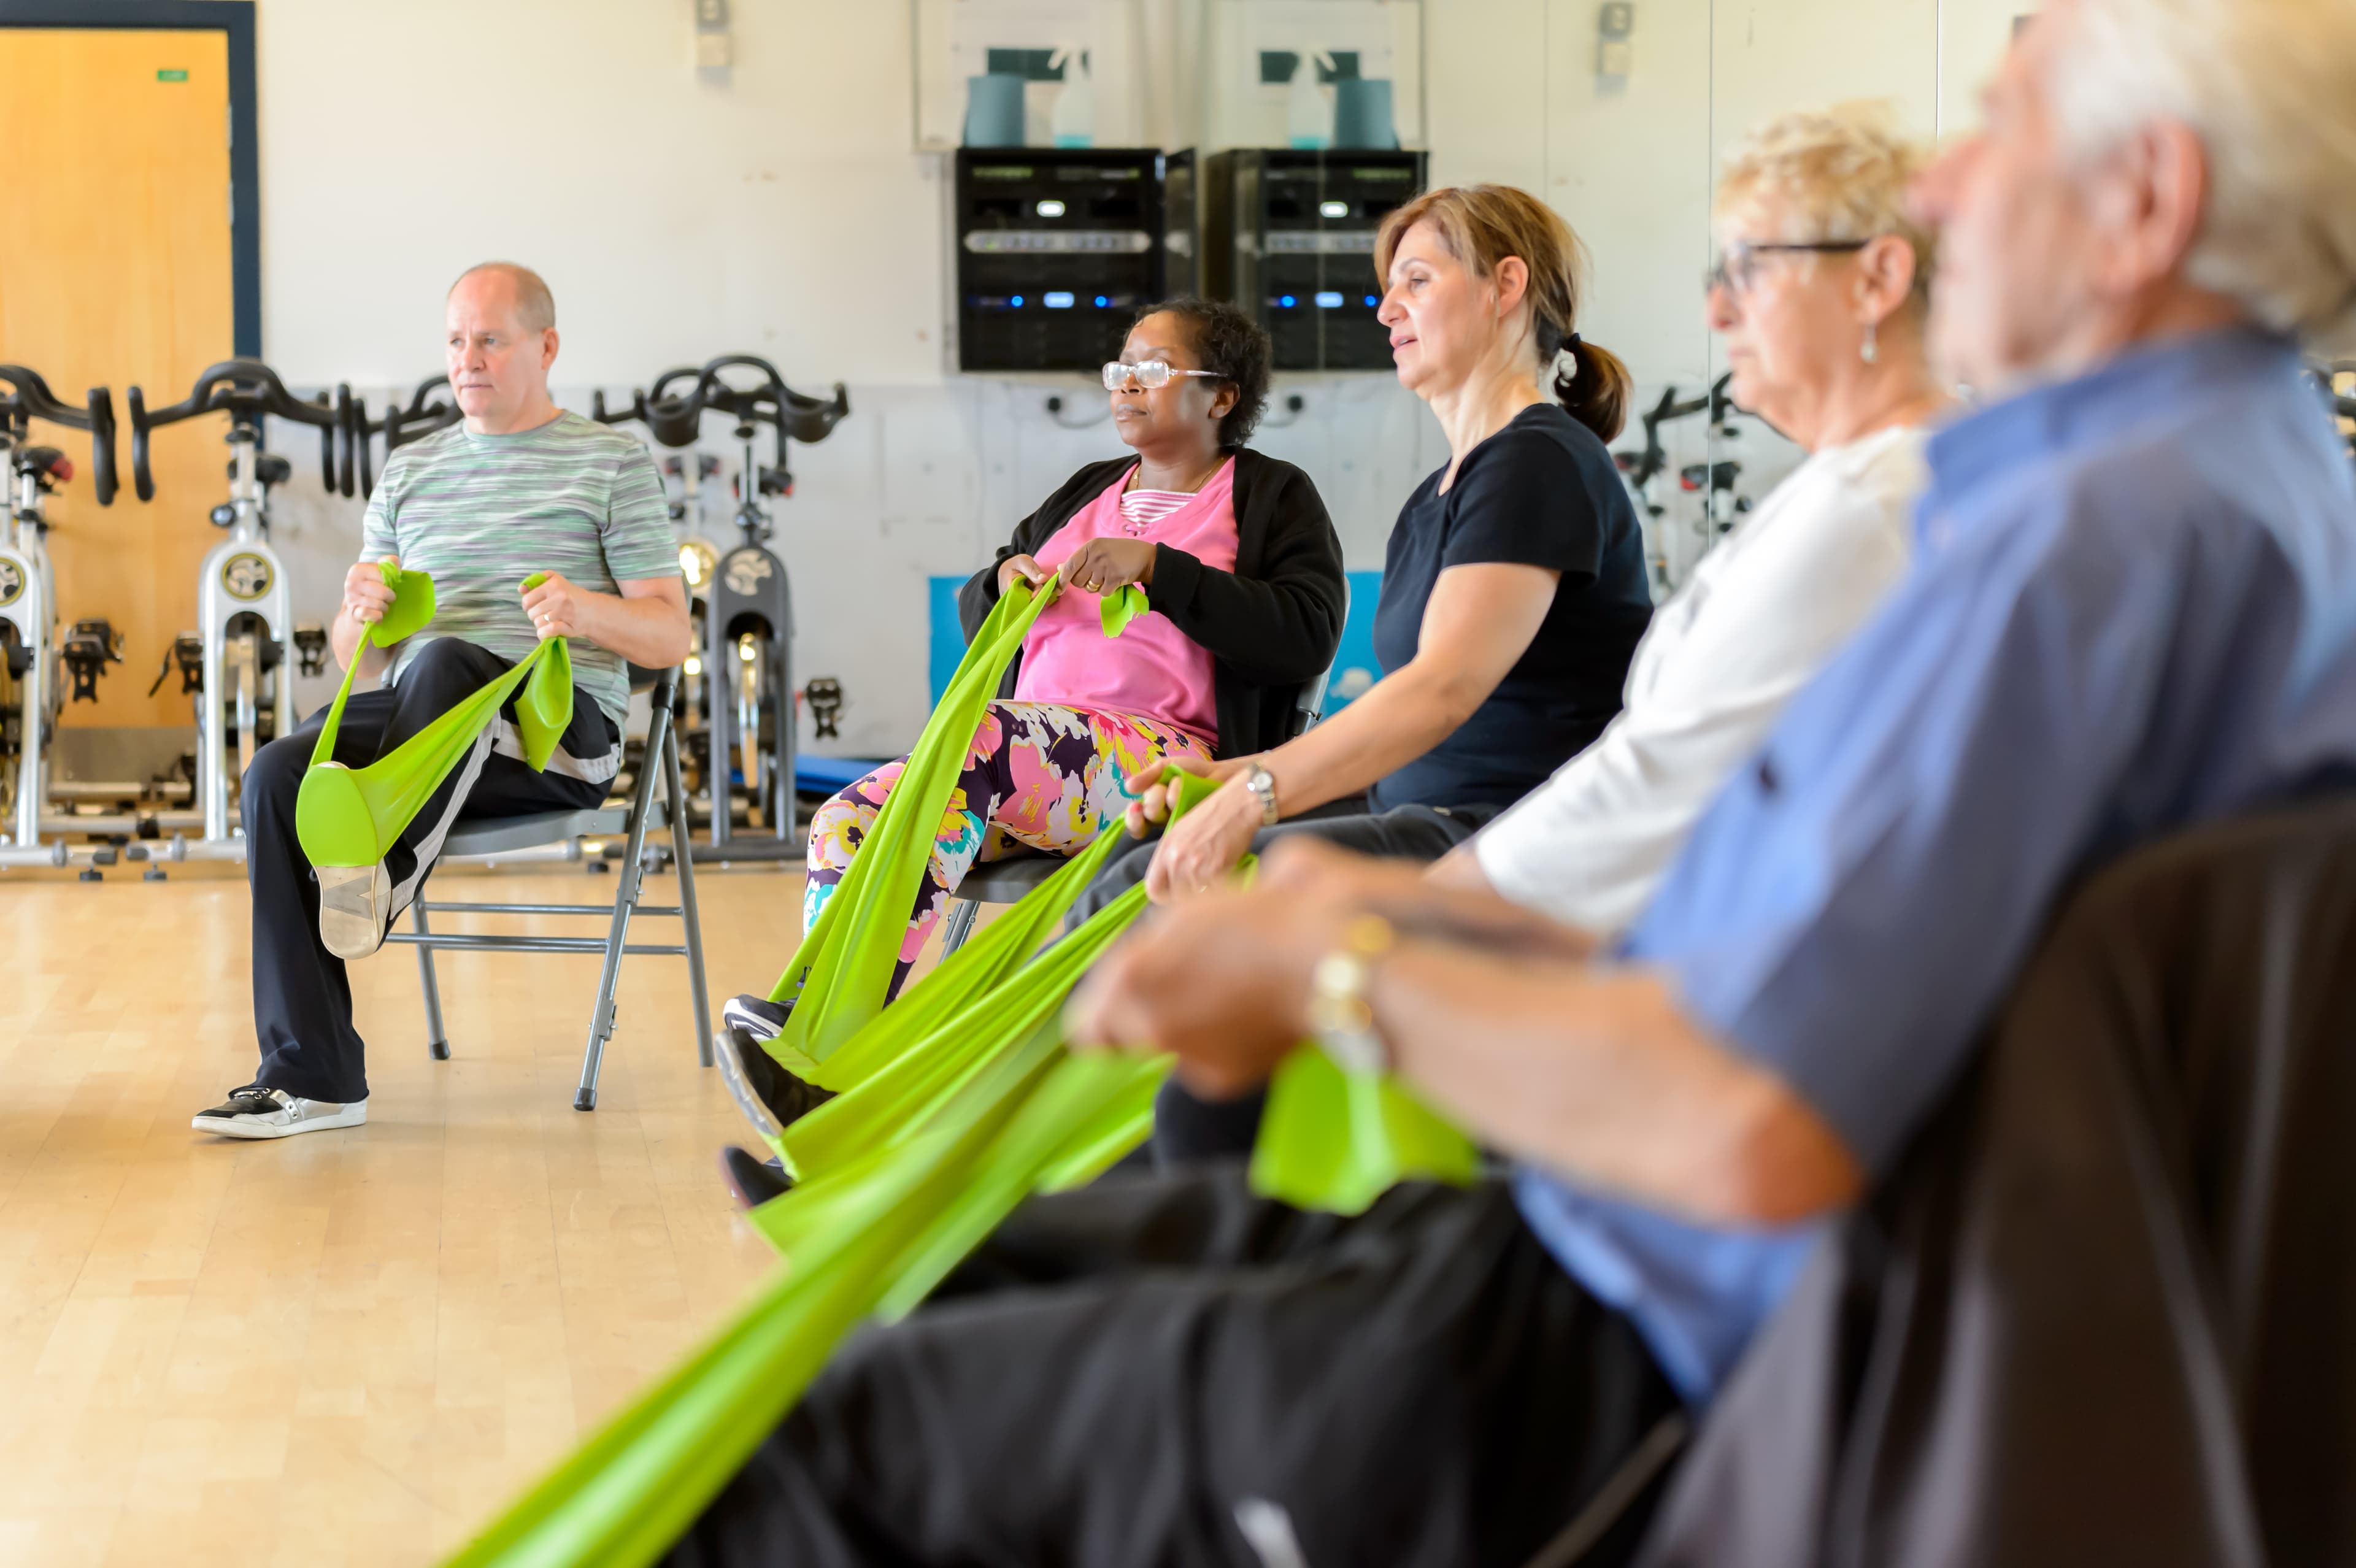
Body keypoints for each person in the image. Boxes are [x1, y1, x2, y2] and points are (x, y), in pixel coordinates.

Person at [657, 2, 2356, 1562]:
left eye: (2003, 121)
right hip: (1648, 1255)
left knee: (837, 1425)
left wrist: (1346, 958)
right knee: (964, 1271)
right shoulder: (2224, 495)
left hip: (1621, 1343)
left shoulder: (2074, 549)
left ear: (2144, 201)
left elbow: (1752, 1116)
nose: (1954, 185)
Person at [1156, 104, 1954, 1166]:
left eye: (1752, 270)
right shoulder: (1846, 498)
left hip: (1576, 900)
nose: (1717, 311)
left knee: (1202, 1054)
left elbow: (1633, 775)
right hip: (1567, 889)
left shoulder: (1876, 503)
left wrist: (1391, 906)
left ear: (1880, 280)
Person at [712, 298, 1345, 1146]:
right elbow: (992, 604)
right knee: (849, 818)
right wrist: (1000, 578)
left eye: (1152, 369)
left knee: (985, 740)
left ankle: (834, 1045)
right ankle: (825, 1051)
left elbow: (1305, 632)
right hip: (1029, 766)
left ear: (1221, 397)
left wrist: (1162, 568)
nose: (1125, 384)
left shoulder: (1271, 497)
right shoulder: (1088, 491)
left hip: (1167, 765)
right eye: (1120, 367)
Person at [193, 263, 691, 1140]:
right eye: (457, 340)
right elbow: (362, 659)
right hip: (433, 724)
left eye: (491, 339)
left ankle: (380, 876)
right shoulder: (410, 471)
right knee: (277, 772)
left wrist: (583, 610)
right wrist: (360, 612)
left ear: (546, 347)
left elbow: (669, 637)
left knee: (452, 658)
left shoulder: (611, 460)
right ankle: (313, 1077)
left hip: (556, 737)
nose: (470, 359)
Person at [1077, 183, 1654, 915]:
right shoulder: (1434, 496)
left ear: (1506, 286)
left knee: (1144, 892)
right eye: (1388, 289)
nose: (1387, 309)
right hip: (1422, 818)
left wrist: (1257, 792)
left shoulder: (1536, 461)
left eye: (1417, 281)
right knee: (1146, 848)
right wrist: (1232, 776)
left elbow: (1442, 688)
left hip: (1506, 837)